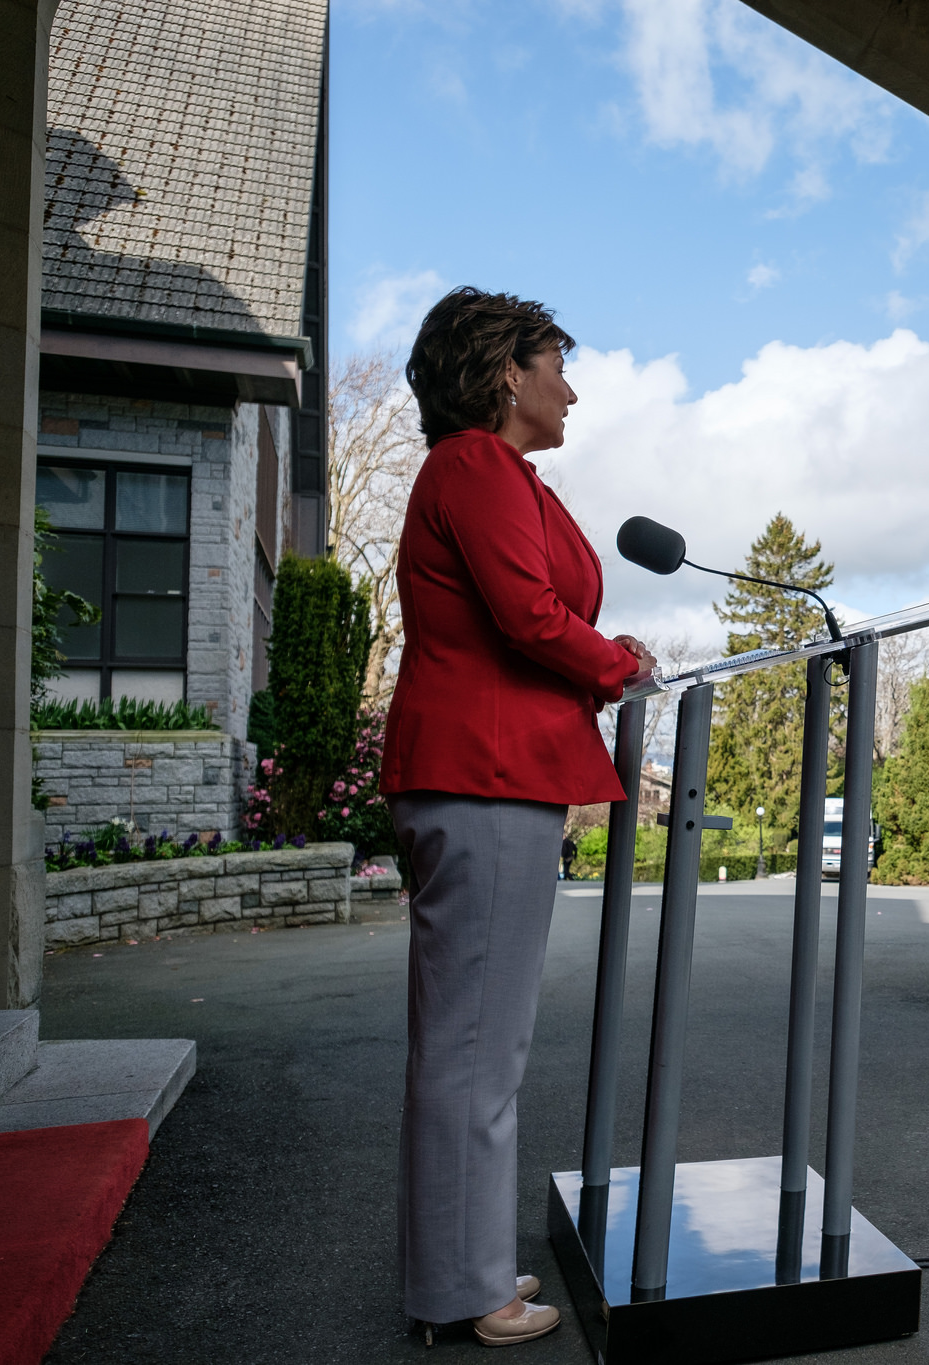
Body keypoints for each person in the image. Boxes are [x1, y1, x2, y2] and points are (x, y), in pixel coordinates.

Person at [381, 287, 659, 1346]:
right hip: (480, 773)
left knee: (479, 1044)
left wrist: (603, 659)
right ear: (507, 371)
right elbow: (528, 615)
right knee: (470, 1048)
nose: (571, 387)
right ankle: (461, 1290)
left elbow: (539, 613)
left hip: (496, 774)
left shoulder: (507, 478)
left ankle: (467, 1270)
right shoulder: (471, 467)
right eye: (557, 364)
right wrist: (619, 664)